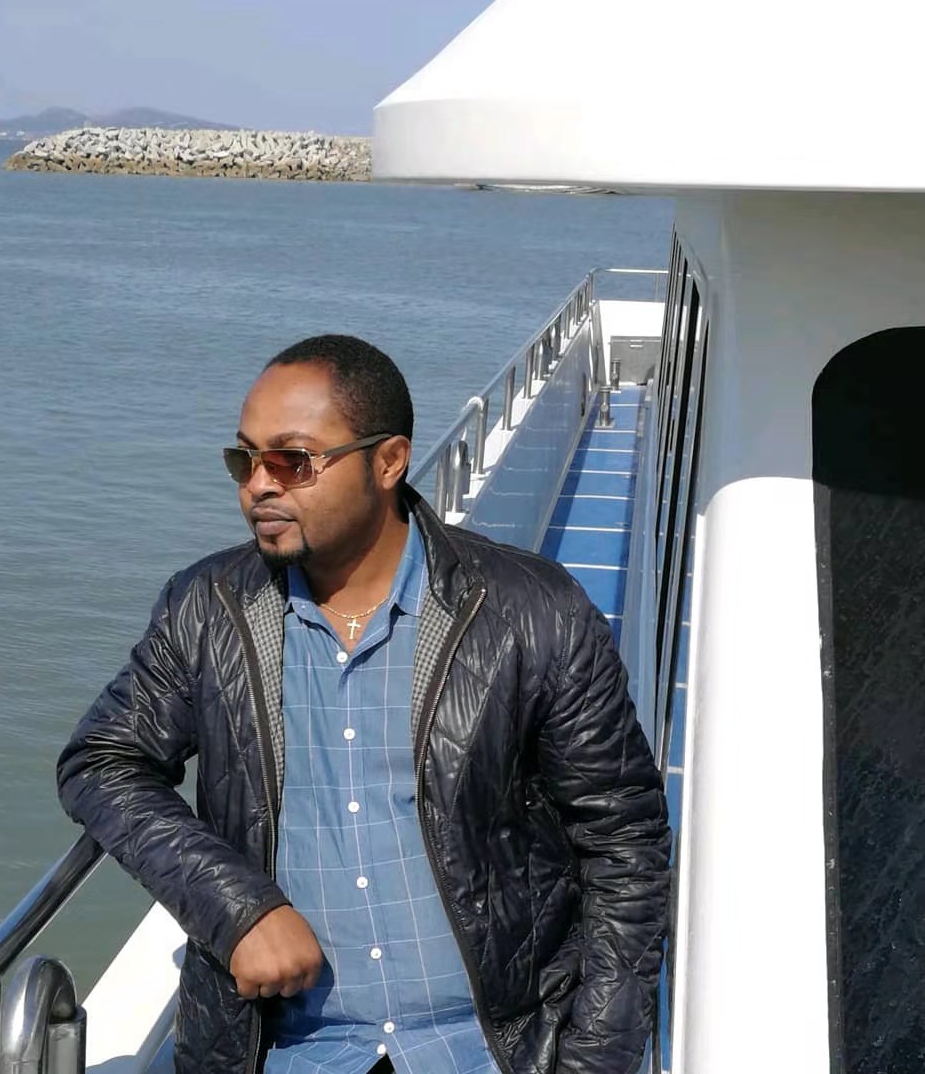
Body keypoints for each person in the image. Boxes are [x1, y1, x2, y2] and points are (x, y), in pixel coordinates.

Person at [57, 334, 671, 1074]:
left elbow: (625, 847)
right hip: (286, 1052)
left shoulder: (533, 613)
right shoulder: (208, 609)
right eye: (244, 460)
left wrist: (593, 1063)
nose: (258, 486)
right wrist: (236, 908)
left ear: (388, 462)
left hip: (496, 1049)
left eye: (292, 460)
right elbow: (102, 761)